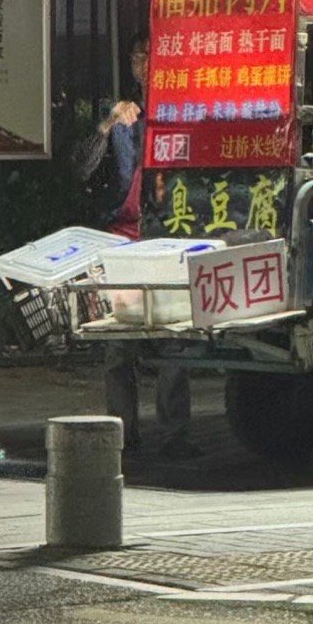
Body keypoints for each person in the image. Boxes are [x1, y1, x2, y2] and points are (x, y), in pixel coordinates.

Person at [72, 32, 197, 459]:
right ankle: (123, 434)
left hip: (165, 242)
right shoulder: (125, 117)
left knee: (173, 341)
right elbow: (82, 168)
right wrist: (107, 125)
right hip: (123, 244)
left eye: (155, 56)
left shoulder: (183, 114)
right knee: (119, 344)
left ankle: (176, 434)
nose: (147, 64)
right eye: (140, 56)